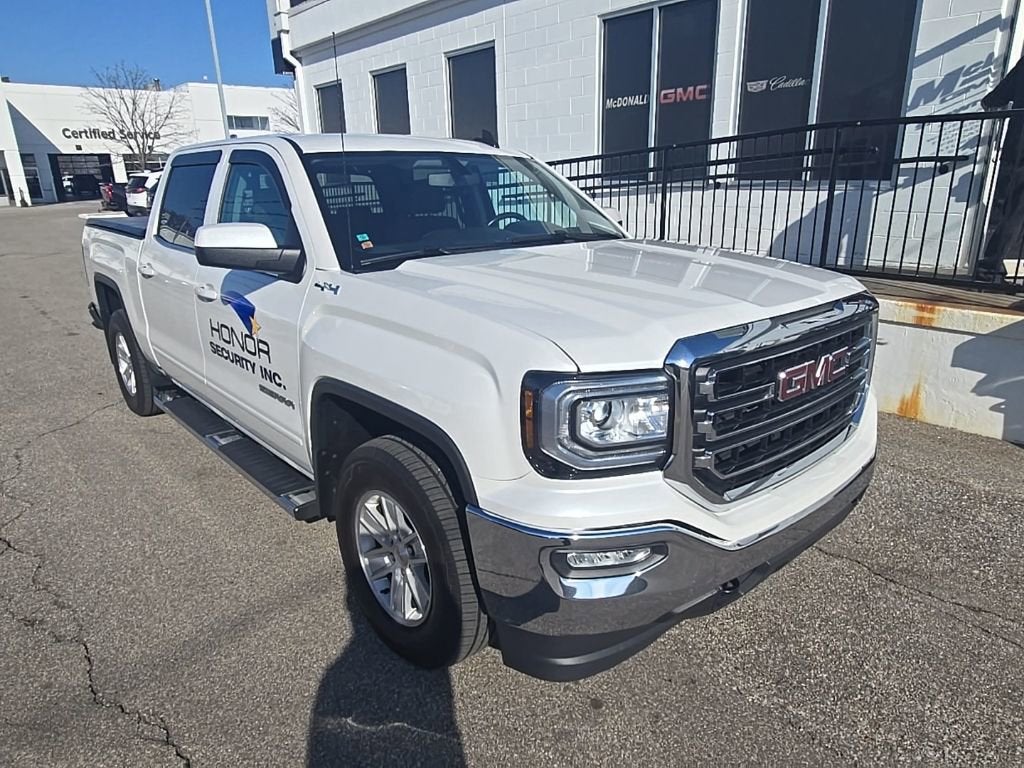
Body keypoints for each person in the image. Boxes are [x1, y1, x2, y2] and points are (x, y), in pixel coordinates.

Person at [977, 58, 1024, 280]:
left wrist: (989, 102)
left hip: (1019, 150)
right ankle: (991, 267)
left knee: (1013, 209)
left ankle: (990, 268)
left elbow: (995, 98)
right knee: (1015, 209)